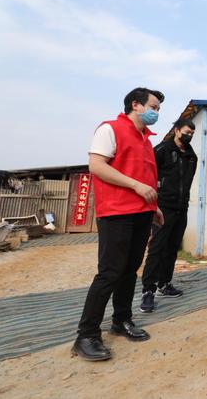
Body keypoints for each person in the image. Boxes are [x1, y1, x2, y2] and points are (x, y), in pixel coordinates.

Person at [72, 87, 165, 361]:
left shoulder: (146, 140)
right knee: (110, 272)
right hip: (116, 212)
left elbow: (146, 179)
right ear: (135, 105)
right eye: (153, 106)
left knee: (129, 270)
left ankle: (121, 320)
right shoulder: (110, 129)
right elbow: (97, 166)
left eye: (158, 108)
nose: (156, 112)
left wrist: (154, 206)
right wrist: (136, 186)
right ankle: (86, 335)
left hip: (141, 213)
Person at [140, 118, 198, 313]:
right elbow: (149, 178)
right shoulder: (161, 151)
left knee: (172, 248)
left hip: (181, 208)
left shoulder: (191, 156)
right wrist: (153, 205)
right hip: (162, 208)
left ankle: (164, 284)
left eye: (191, 134)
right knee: (157, 248)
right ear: (176, 130)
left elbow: (188, 182)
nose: (188, 136)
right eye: (186, 132)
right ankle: (148, 290)